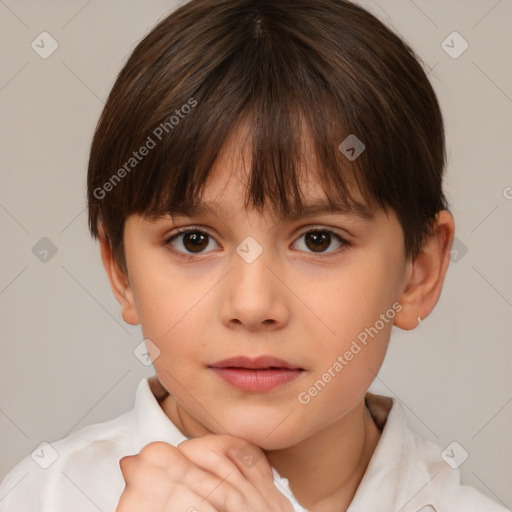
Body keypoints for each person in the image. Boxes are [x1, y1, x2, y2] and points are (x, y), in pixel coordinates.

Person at [0, 0, 507, 510]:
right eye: (193, 240)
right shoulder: (42, 497)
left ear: (418, 272)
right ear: (121, 272)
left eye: (318, 240)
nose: (252, 304)